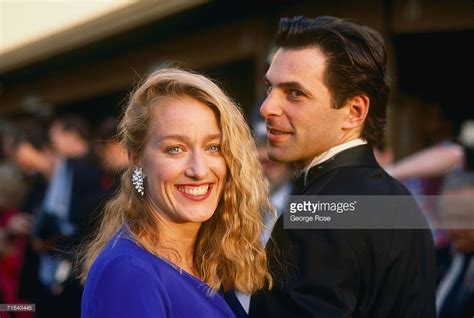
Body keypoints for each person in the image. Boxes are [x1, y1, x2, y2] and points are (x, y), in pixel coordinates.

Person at [248, 16, 436, 317]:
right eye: (270, 88)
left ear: (354, 111)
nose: (267, 107)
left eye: (295, 93)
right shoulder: (401, 201)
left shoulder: (317, 213)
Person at [79, 67, 273, 317]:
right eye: (175, 149)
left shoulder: (206, 262)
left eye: (213, 147)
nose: (199, 170)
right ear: (136, 159)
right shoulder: (130, 274)